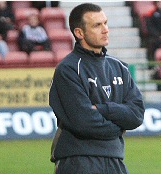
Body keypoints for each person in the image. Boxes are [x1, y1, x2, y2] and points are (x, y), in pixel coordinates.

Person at [49, 3, 144, 173]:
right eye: (97, 25)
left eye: (105, 23)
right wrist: (120, 126)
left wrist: (103, 109)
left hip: (115, 160)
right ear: (79, 33)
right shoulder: (68, 69)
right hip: (78, 161)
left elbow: (136, 115)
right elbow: (84, 122)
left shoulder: (120, 67)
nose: (105, 29)